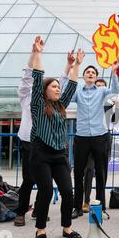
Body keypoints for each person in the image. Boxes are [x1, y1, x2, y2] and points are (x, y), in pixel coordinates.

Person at [13, 39, 74, 226]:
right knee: (29, 179)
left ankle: (39, 210)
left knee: (44, 182)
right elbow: (29, 77)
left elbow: (62, 84)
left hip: (49, 143)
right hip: (29, 141)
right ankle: (21, 211)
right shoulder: (27, 96)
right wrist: (35, 53)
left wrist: (70, 65)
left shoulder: (53, 101)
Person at [30, 36, 82, 238]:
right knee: (46, 191)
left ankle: (67, 227)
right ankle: (40, 229)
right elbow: (37, 77)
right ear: (44, 91)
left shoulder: (61, 106)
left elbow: (72, 85)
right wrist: (38, 53)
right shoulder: (37, 104)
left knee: (68, 192)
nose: (57, 89)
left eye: (58, 87)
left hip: (59, 154)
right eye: (53, 87)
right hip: (41, 153)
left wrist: (76, 64)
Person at [62, 61, 119, 220]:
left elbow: (115, 91)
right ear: (83, 76)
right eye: (88, 72)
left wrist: (114, 72)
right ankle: (78, 207)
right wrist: (70, 70)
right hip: (81, 137)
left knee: (101, 174)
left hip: (99, 136)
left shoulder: (101, 91)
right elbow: (64, 93)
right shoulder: (78, 92)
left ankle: (101, 208)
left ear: (96, 78)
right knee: (79, 173)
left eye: (93, 73)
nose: (90, 74)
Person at [79, 79, 119, 215]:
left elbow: (114, 120)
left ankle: (100, 204)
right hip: (88, 137)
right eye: (98, 87)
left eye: (104, 88)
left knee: (102, 172)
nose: (101, 90)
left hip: (104, 138)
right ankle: (85, 200)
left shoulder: (108, 104)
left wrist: (118, 106)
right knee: (88, 170)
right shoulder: (89, 103)